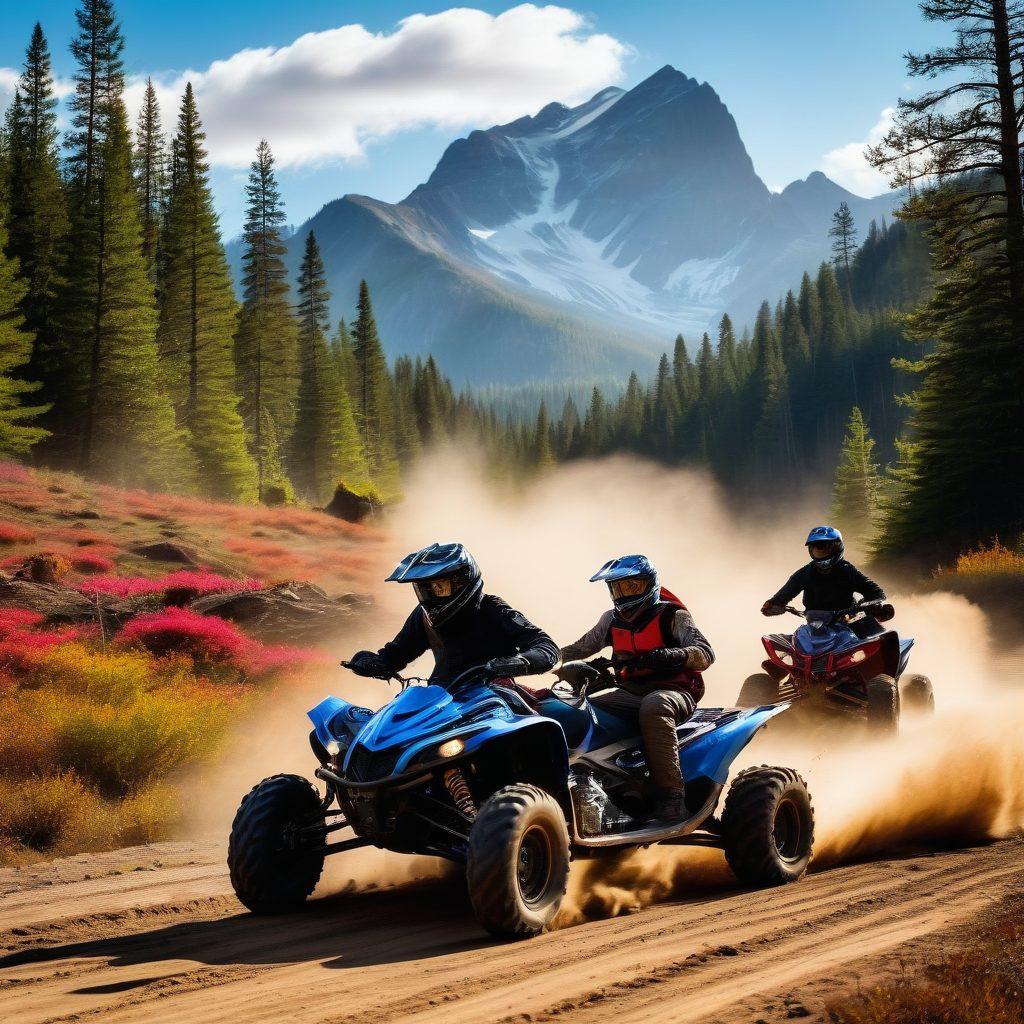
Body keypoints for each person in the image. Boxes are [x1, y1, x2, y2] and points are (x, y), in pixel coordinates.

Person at [559, 554, 714, 822]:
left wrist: (674, 655)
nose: (623, 593)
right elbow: (579, 648)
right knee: (575, 708)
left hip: (674, 693)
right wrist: (539, 658)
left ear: (649, 584)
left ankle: (672, 798)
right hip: (629, 692)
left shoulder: (673, 615)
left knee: (653, 707)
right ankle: (604, 786)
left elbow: (706, 654)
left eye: (632, 586)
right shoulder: (610, 619)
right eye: (617, 587)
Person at [347, 542, 559, 686]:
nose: (432, 595)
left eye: (439, 587)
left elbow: (546, 646)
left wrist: (517, 662)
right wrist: (376, 663)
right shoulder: (422, 616)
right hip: (441, 700)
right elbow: (398, 653)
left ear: (462, 580)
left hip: (495, 699)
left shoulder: (491, 608)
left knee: (542, 724)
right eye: (425, 589)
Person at [761, 526, 886, 617]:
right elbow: (782, 596)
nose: (821, 552)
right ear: (811, 550)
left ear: (838, 547)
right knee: (790, 644)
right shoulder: (804, 573)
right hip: (815, 628)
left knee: (877, 634)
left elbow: (877, 593)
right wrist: (771, 605)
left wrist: (868, 605)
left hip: (848, 624)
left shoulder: (847, 570)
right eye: (817, 548)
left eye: (826, 548)